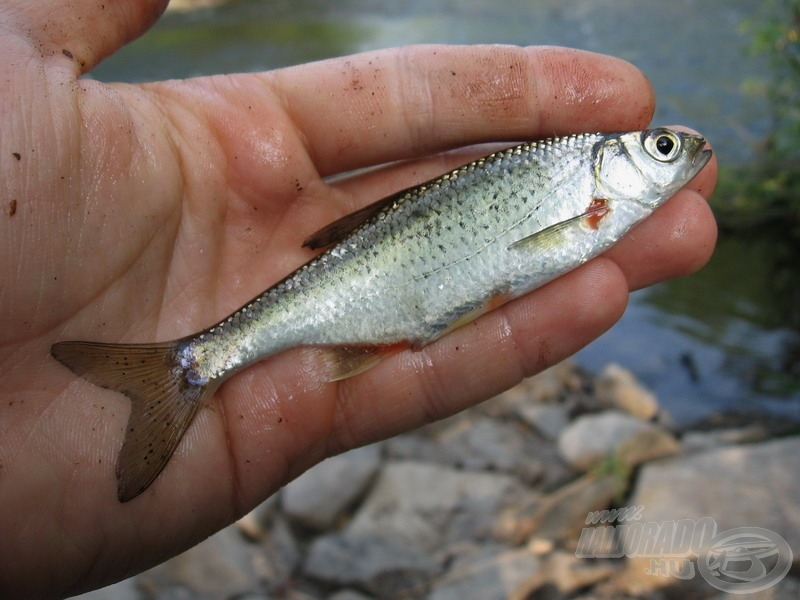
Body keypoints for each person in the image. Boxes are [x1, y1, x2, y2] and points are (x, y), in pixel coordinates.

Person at [0, 0, 718, 597]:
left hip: (405, 288)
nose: (677, 154)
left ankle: (192, 368)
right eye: (660, 150)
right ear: (613, 168)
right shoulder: (587, 184)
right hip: (385, 284)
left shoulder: (594, 194)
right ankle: (190, 368)